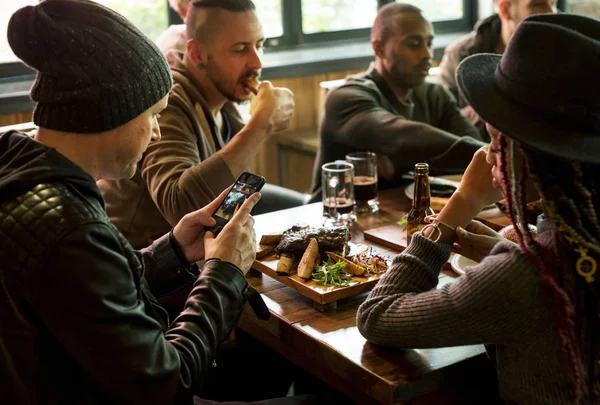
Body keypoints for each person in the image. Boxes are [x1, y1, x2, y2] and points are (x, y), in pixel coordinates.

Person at [0, 1, 319, 404]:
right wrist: (223, 272)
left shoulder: (28, 179)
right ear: (109, 112)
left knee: (276, 364)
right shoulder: (69, 228)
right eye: (152, 115)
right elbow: (167, 384)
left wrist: (173, 249)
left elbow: (97, 293)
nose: (155, 134)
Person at [357, 13, 599, 405]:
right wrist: (505, 249)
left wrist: (460, 205)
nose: (487, 147)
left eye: (494, 133)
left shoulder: (525, 275)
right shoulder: (576, 236)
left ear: (520, 150)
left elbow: (378, 317)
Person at [100, 0, 306, 250]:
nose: (257, 62)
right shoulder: (169, 103)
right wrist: (259, 126)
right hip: (145, 268)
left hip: (199, 258)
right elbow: (182, 208)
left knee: (308, 208)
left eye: (259, 45)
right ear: (197, 53)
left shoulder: (224, 99)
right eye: (241, 49)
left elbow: (228, 194)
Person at [312, 3, 486, 193]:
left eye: (429, 43)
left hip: (404, 214)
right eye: (414, 44)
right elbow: (403, 140)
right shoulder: (346, 98)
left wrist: (396, 166)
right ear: (379, 48)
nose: (427, 55)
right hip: (333, 214)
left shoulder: (435, 94)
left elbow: (471, 152)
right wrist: (495, 157)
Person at [439, 0, 555, 130]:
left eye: (553, 3)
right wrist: (478, 112)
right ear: (505, 9)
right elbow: (443, 117)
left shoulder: (561, 50)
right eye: (537, 4)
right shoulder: (460, 54)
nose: (551, 12)